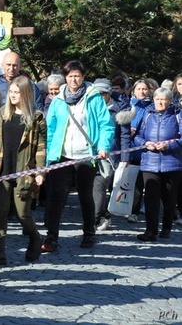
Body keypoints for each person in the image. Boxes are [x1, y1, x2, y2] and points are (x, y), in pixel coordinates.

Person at [42, 60, 114, 252]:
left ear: (83, 77)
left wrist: (103, 146)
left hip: (85, 155)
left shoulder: (94, 97)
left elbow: (105, 124)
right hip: (62, 155)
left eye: (77, 76)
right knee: (57, 196)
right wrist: (49, 156)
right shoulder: (58, 100)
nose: (74, 79)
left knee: (85, 195)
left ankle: (89, 233)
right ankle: (51, 237)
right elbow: (51, 129)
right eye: (70, 75)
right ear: (66, 77)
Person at [0, 76, 46, 266]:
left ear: (25, 94)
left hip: (24, 172)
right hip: (1, 170)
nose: (12, 96)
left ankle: (35, 238)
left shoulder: (37, 118)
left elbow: (42, 147)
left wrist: (40, 172)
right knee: (0, 212)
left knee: (22, 214)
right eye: (10, 92)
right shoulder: (1, 114)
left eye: (16, 93)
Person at [133, 87, 182, 241]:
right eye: (157, 99)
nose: (160, 102)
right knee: (151, 198)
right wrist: (146, 143)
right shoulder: (147, 114)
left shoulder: (178, 115)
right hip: (150, 162)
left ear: (169, 101)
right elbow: (138, 136)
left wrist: (168, 146)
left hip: (172, 163)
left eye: (163, 99)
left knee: (169, 197)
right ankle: (150, 230)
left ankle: (166, 227)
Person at [91, 78, 130, 233]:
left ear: (109, 93)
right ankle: (100, 216)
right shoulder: (88, 107)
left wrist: (125, 158)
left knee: (101, 187)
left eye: (104, 93)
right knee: (95, 188)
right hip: (90, 154)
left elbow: (125, 136)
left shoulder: (121, 109)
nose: (100, 96)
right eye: (97, 93)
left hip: (111, 156)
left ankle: (93, 222)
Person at [124, 78, 154, 223]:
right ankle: (122, 208)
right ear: (133, 91)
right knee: (126, 181)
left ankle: (135, 211)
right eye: (139, 89)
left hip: (144, 149)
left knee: (141, 183)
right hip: (127, 148)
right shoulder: (127, 105)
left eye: (144, 89)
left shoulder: (152, 107)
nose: (142, 92)